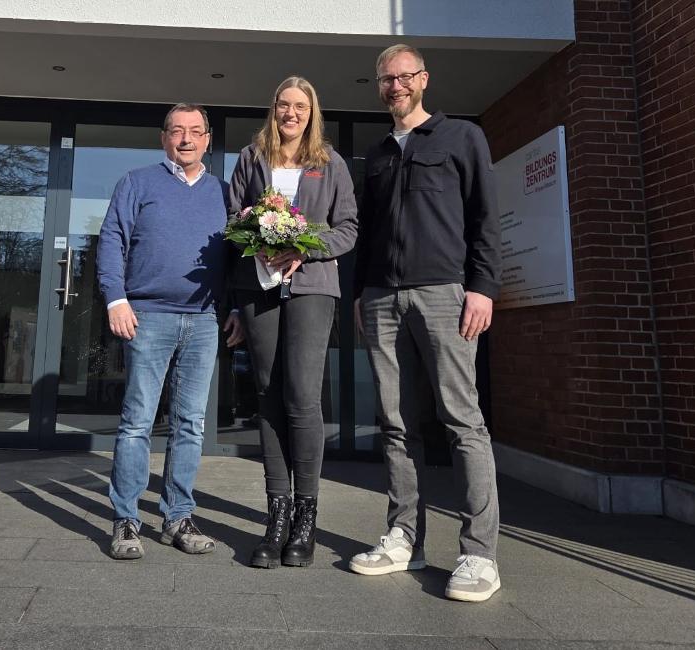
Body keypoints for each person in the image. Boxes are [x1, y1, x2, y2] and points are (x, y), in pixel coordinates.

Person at [350, 44, 503, 602]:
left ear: (424, 80)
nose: (395, 86)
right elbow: (366, 238)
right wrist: (360, 296)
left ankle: (479, 554)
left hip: (445, 295)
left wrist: (483, 287)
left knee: (462, 420)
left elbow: (485, 217)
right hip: (382, 299)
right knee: (395, 421)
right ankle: (403, 537)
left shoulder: (462, 137)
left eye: (404, 77)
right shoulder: (378, 155)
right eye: (386, 79)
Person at [97, 103, 246, 560]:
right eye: (177, 131)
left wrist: (236, 306)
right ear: (164, 137)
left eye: (195, 132)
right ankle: (126, 518)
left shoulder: (224, 192)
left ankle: (177, 515)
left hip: (204, 320)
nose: (186, 139)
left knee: (191, 424)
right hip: (148, 315)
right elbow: (112, 239)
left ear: (208, 140)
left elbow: (240, 253)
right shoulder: (137, 183)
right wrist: (115, 298)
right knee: (138, 421)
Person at [227, 77, 358, 569]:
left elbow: (348, 228)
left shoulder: (330, 161)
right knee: (268, 395)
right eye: (283, 104)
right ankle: (275, 518)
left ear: (312, 111)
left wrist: (305, 245)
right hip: (257, 288)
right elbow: (231, 216)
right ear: (273, 109)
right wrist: (254, 233)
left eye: (300, 106)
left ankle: (306, 520)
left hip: (312, 288)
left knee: (302, 397)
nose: (291, 113)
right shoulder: (251, 155)